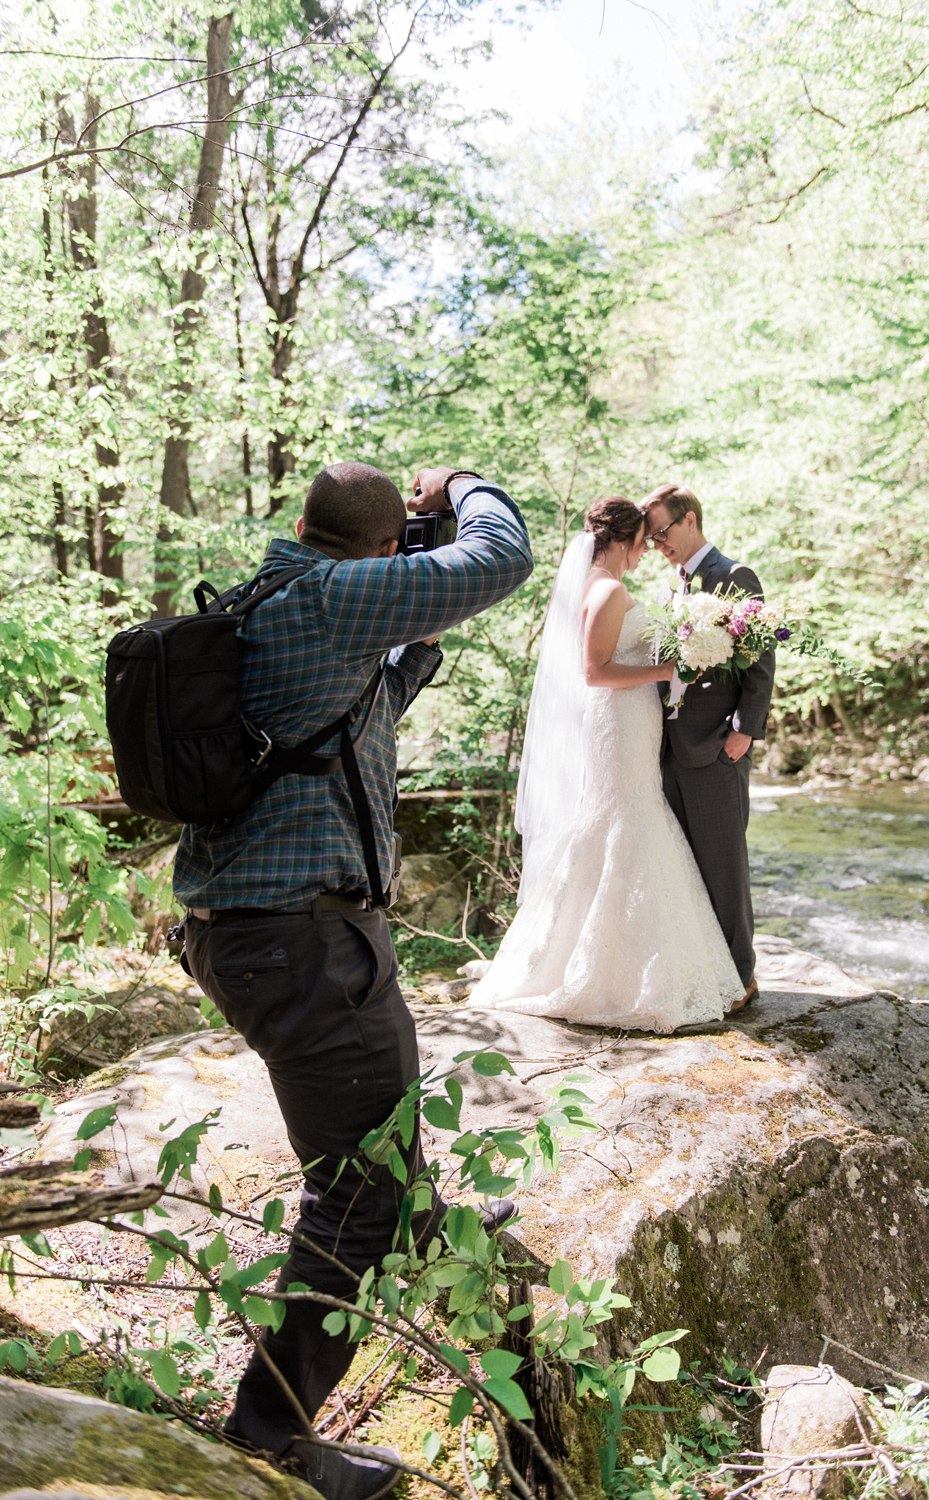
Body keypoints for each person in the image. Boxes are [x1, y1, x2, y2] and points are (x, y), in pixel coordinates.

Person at [173, 462, 532, 1500]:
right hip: (300, 945)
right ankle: (266, 1436)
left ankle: (414, 1220)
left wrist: (408, 620)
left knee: (376, 1114)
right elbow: (500, 557)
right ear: (379, 554)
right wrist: (464, 485)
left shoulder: (280, 595)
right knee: (349, 1203)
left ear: (298, 522)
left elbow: (349, 709)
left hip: (270, 937)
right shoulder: (335, 599)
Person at [470, 497, 744, 1032]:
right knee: (625, 818)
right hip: (617, 719)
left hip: (629, 719)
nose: (648, 550)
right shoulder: (608, 588)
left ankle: (624, 958)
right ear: (623, 539)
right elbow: (594, 671)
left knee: (627, 816)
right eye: (644, 540)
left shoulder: (600, 583)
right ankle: (610, 972)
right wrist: (668, 669)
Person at [641, 483, 775, 1011]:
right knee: (687, 868)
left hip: (719, 746)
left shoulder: (734, 576)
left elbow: (760, 662)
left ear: (689, 520)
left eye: (662, 532)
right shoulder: (672, 585)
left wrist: (743, 734)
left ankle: (741, 978)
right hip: (669, 748)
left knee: (723, 864)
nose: (657, 544)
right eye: (650, 538)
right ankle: (707, 974)